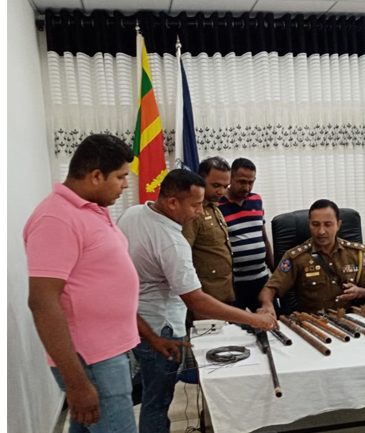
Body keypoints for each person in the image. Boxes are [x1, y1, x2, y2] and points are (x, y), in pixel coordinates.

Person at [25, 134, 175, 433]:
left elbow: (104, 286)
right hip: (91, 360)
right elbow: (42, 302)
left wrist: (149, 336)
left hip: (105, 353)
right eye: (120, 177)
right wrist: (77, 383)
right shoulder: (56, 219)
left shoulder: (92, 210)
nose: (126, 184)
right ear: (96, 176)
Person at [117, 169, 277, 433]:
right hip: (161, 328)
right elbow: (196, 300)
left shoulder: (134, 213)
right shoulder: (172, 242)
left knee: (150, 393)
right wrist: (254, 318)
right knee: (158, 402)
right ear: (172, 202)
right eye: (195, 205)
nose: (200, 212)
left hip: (135, 319)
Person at [258, 199, 365, 316]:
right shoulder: (296, 257)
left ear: (338, 225)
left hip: (350, 320)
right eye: (315, 224)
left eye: (328, 224)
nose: (321, 231)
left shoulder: (354, 253)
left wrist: (360, 292)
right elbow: (269, 289)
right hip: (313, 324)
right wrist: (267, 305)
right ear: (309, 224)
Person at [218, 158, 276, 312]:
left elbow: (263, 238)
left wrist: (274, 271)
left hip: (261, 279)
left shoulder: (256, 200)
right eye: (242, 182)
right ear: (230, 178)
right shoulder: (217, 205)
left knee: (273, 322)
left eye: (251, 182)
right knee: (236, 328)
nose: (247, 187)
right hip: (234, 284)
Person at [181, 157, 234, 304]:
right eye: (216, 185)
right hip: (205, 299)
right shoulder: (193, 211)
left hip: (224, 293)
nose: (221, 192)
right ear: (200, 180)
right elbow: (183, 259)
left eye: (226, 186)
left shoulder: (214, 207)